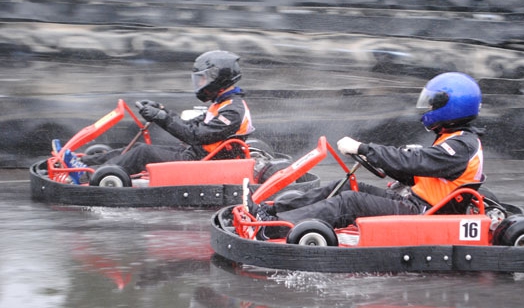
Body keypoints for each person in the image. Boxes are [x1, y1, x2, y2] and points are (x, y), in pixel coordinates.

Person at [252, 71, 484, 239]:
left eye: (432, 105)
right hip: (415, 201)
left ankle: (273, 229)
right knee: (347, 186)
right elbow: (416, 174)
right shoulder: (452, 138)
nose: (428, 109)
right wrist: (376, 159)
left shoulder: (462, 146)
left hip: (425, 213)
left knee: (350, 202)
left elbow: (415, 161)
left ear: (452, 107)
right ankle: (272, 211)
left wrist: (364, 149)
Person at [77, 50, 254, 176]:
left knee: (144, 153)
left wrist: (162, 118)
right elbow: (191, 125)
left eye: (203, 79)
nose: (200, 84)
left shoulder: (232, 111)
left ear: (219, 79)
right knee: (138, 147)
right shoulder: (222, 103)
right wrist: (162, 111)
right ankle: (83, 163)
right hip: (197, 154)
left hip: (204, 163)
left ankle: (91, 175)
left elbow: (195, 136)